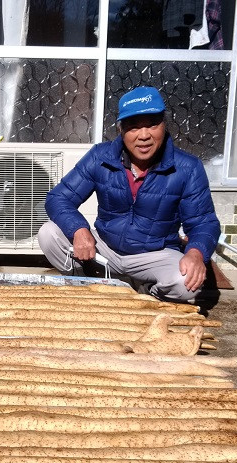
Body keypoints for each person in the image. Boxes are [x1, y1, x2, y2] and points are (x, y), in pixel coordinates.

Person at [37, 86, 221, 302]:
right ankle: (89, 286)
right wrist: (78, 229)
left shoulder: (187, 168)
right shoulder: (101, 157)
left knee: (186, 284)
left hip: (155, 254)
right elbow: (58, 198)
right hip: (106, 247)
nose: (144, 136)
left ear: (164, 125)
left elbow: (204, 223)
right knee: (49, 233)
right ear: (121, 130)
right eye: (133, 127)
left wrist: (196, 253)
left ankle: (144, 296)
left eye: (152, 124)